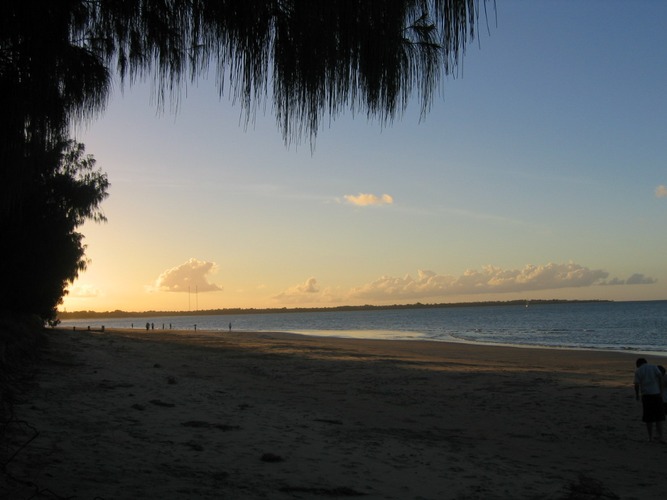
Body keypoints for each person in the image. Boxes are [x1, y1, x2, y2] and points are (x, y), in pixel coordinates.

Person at [634, 358, 665, 442]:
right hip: (656, 394)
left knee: (649, 418)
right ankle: (661, 437)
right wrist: (661, 390)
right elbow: (660, 377)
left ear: (638, 364)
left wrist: (637, 395)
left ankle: (650, 437)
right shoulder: (654, 367)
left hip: (646, 395)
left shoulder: (638, 371)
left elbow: (636, 385)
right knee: (659, 418)